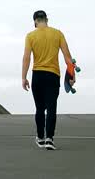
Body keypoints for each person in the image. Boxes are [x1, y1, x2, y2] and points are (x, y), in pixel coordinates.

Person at [22, 10, 73, 150]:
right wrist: (71, 76)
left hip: (37, 75)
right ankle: (50, 139)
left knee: (39, 108)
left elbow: (26, 58)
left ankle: (40, 138)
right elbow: (68, 57)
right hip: (53, 75)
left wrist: (23, 77)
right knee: (51, 107)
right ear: (46, 19)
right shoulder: (57, 34)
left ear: (35, 21)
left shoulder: (30, 36)